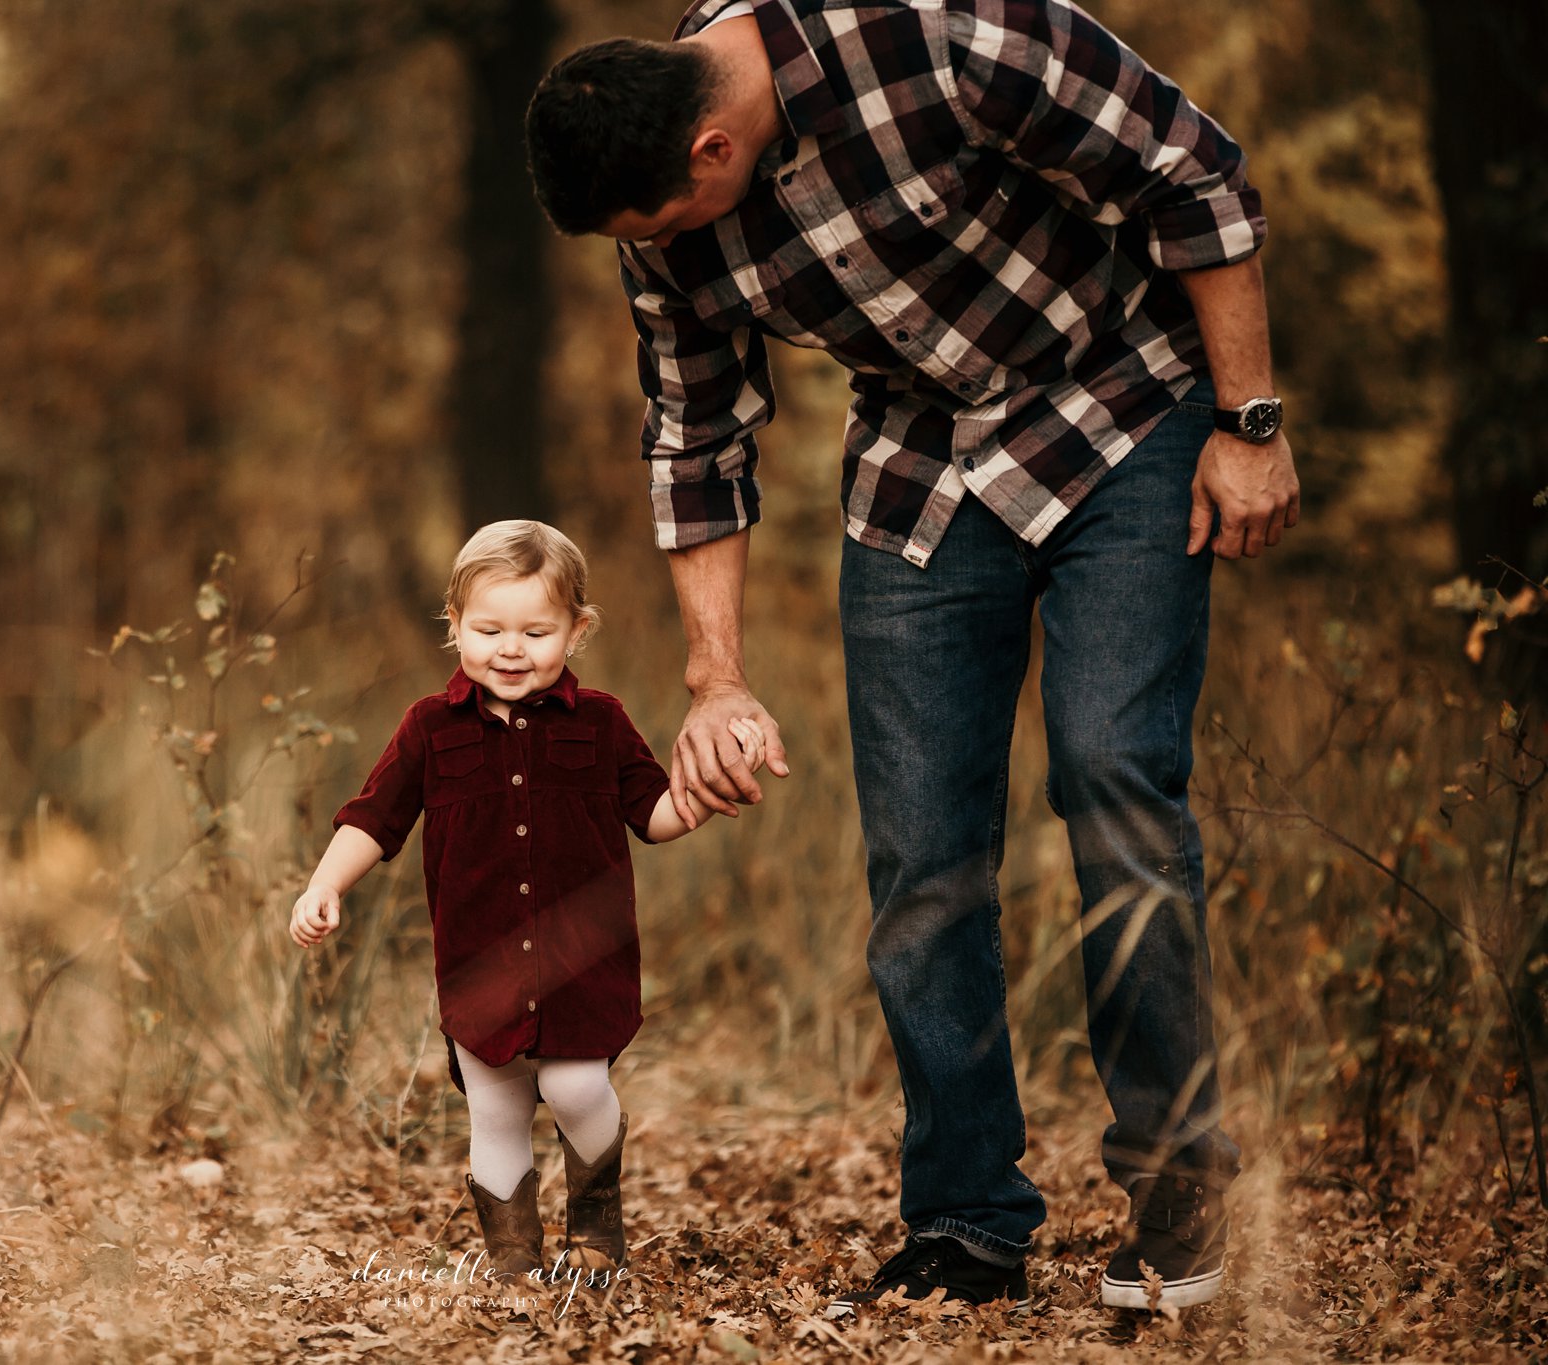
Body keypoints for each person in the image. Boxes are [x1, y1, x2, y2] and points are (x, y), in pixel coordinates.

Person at [525, 0, 1299, 1315]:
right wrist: (717, 675)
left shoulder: (944, 37)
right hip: (923, 465)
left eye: (658, 232)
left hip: (1121, 405)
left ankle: (1178, 1196)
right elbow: (696, 436)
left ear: (712, 152)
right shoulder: (659, 210)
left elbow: (1194, 170)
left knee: (1114, 772)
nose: (653, 260)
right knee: (921, 852)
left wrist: (1251, 420)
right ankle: (966, 1225)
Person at [289, 519, 762, 1289]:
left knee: (577, 1086)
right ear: (455, 627)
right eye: (488, 628)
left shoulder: (601, 723)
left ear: (576, 630)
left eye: (536, 630)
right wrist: (325, 884)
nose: (511, 648)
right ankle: (514, 1259)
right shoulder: (429, 730)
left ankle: (596, 1206)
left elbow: (653, 815)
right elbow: (374, 819)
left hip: (583, 967)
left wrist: (705, 793)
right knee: (497, 1113)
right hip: (480, 971)